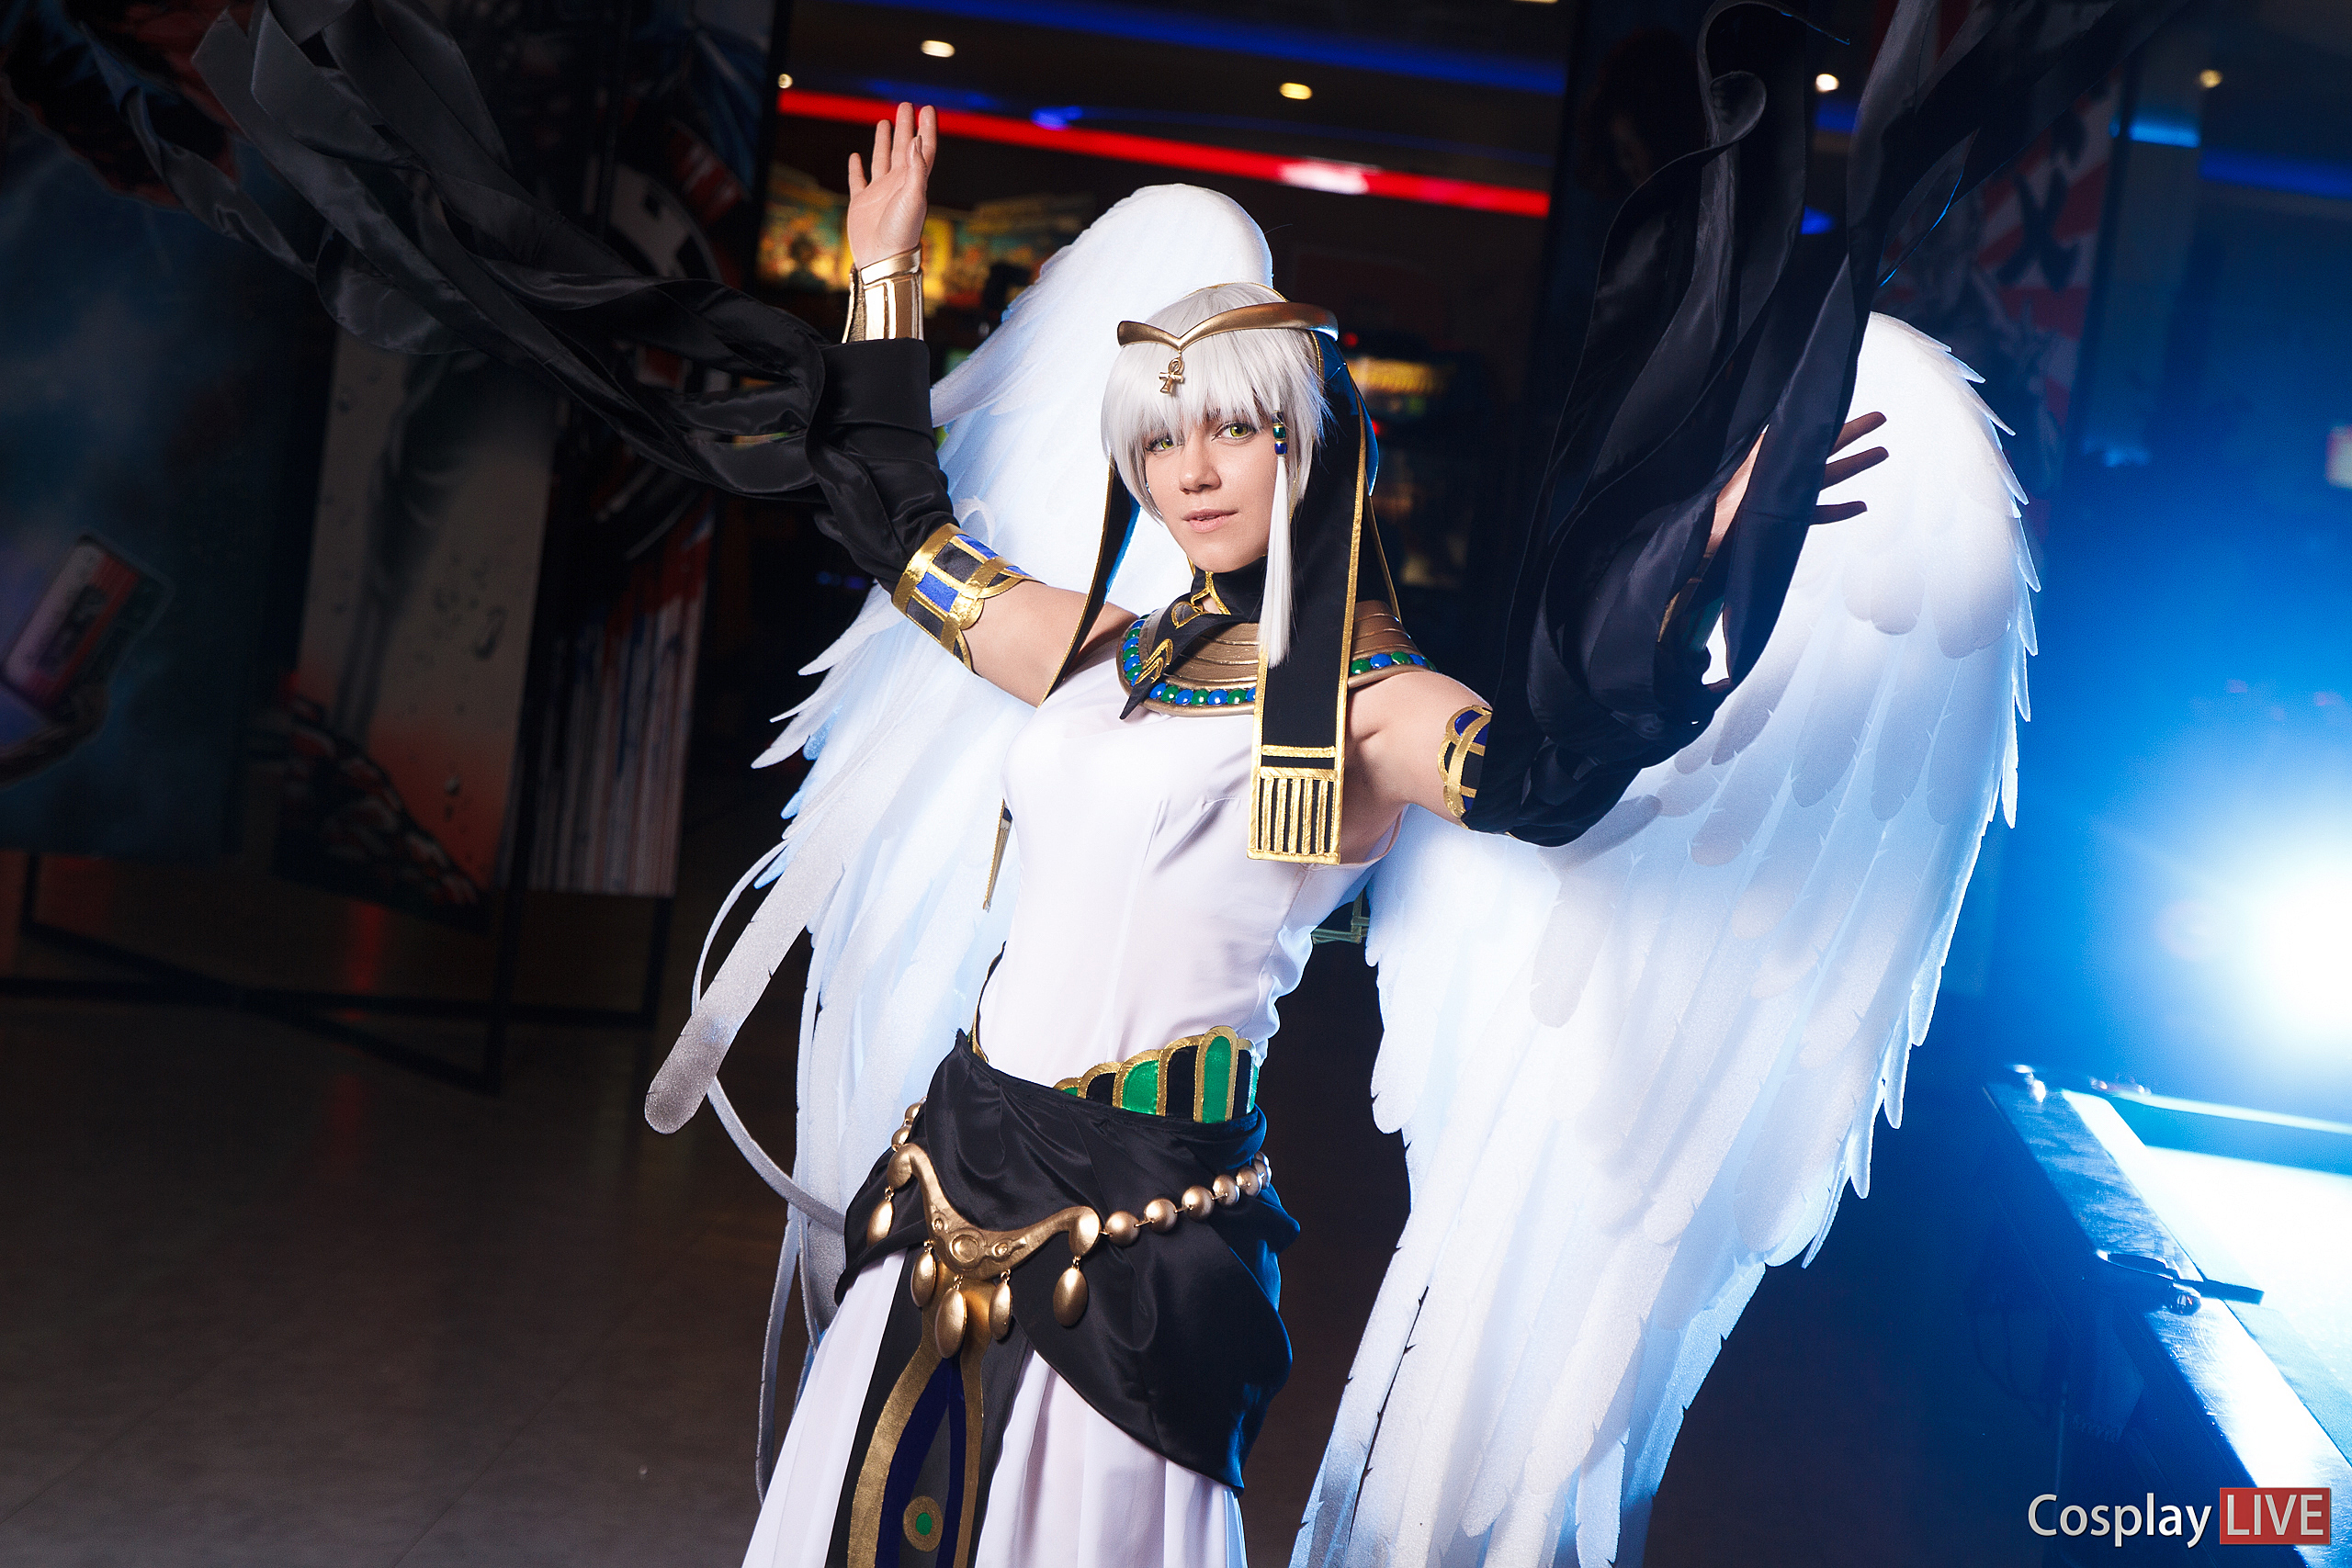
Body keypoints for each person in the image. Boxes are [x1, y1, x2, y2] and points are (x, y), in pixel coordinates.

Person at [92, 0, 2187, 1558]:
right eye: (1159, 438)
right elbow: (902, 534)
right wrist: (888, 287)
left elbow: (1553, 778)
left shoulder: (1365, 705)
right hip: (951, 1184)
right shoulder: (1092, 646)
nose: (1190, 469)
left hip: (1142, 1249)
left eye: (1230, 431)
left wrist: (1712, 551)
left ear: (1302, 442)